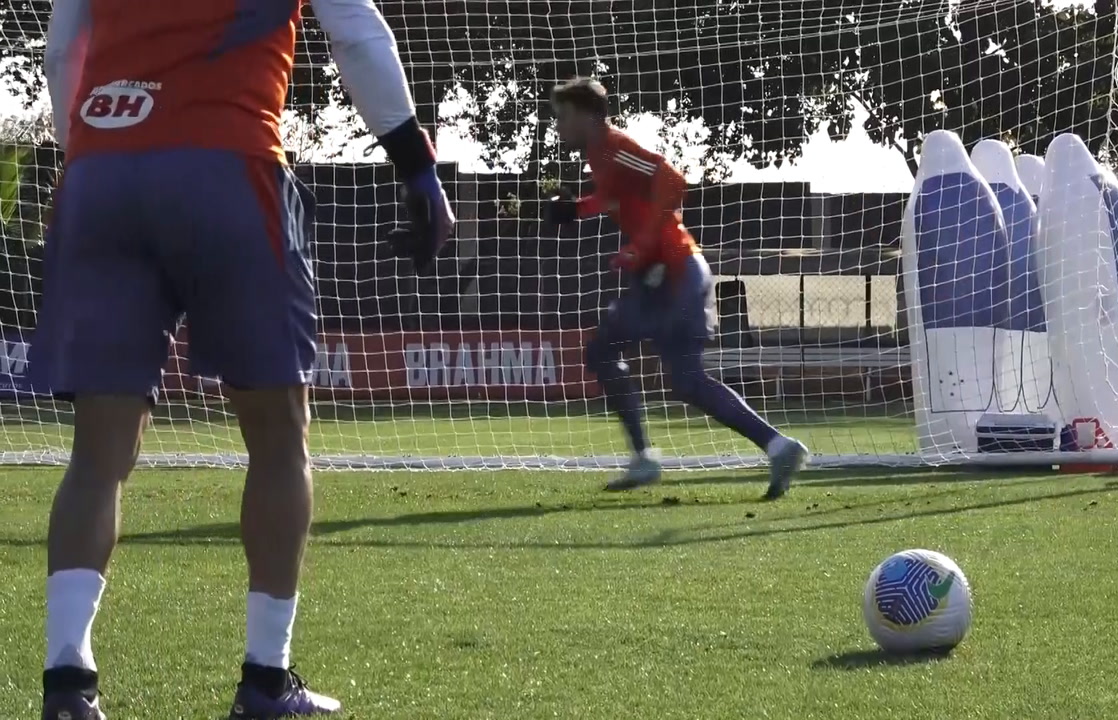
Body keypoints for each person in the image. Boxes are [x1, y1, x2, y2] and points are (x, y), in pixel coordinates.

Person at [34, 0, 454, 717]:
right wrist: (419, 172)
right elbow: (357, 34)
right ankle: (265, 680)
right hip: (226, 166)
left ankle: (67, 684)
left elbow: (61, 50)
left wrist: (87, 156)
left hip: (101, 170)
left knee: (97, 453)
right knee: (278, 435)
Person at [543, 77, 808, 500]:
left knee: (641, 363)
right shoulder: (600, 153)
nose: (558, 127)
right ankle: (777, 447)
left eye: (563, 117)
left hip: (676, 273)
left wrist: (644, 246)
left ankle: (651, 457)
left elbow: (672, 180)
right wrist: (577, 210)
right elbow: (617, 198)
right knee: (658, 371)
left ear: (585, 115)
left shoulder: (613, 145)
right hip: (663, 275)